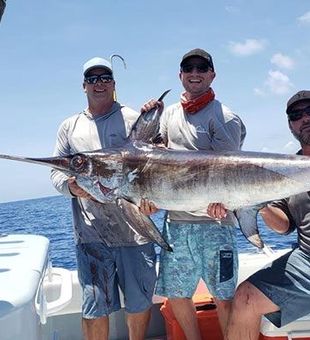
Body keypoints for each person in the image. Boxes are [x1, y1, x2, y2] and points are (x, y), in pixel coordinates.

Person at [142, 48, 246, 340]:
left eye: (202, 68)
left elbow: (230, 172)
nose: (195, 73)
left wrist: (224, 204)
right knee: (176, 294)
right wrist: (147, 115)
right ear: (180, 76)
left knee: (224, 296)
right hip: (176, 223)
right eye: (189, 68)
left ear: (213, 75)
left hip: (217, 223)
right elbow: (152, 156)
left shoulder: (225, 117)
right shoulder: (168, 115)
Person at [51, 57, 157, 340]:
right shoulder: (69, 127)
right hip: (91, 235)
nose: (99, 83)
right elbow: (57, 175)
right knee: (94, 307)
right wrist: (72, 189)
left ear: (114, 83)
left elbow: (157, 168)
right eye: (92, 79)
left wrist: (153, 201)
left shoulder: (134, 119)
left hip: (135, 231)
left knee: (139, 303)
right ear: (84, 86)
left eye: (105, 77)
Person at [223, 90, 310, 340]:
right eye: (296, 115)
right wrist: (256, 202)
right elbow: (284, 227)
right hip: (306, 261)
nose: (304, 118)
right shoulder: (284, 171)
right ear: (290, 124)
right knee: (244, 297)